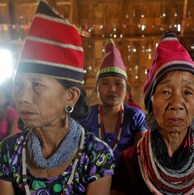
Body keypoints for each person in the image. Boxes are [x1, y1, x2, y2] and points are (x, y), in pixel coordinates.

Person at [0, 1, 115, 194]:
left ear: (70, 96)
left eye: (36, 85)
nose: (22, 97)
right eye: (18, 84)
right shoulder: (8, 151)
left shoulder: (96, 156)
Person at [112, 32, 194, 194]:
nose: (176, 104)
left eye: (187, 92)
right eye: (166, 92)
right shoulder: (130, 162)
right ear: (150, 103)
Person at [80, 39, 147, 163]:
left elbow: (142, 157)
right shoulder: (86, 116)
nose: (112, 89)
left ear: (126, 88)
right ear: (97, 88)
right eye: (105, 83)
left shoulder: (136, 117)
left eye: (118, 84)